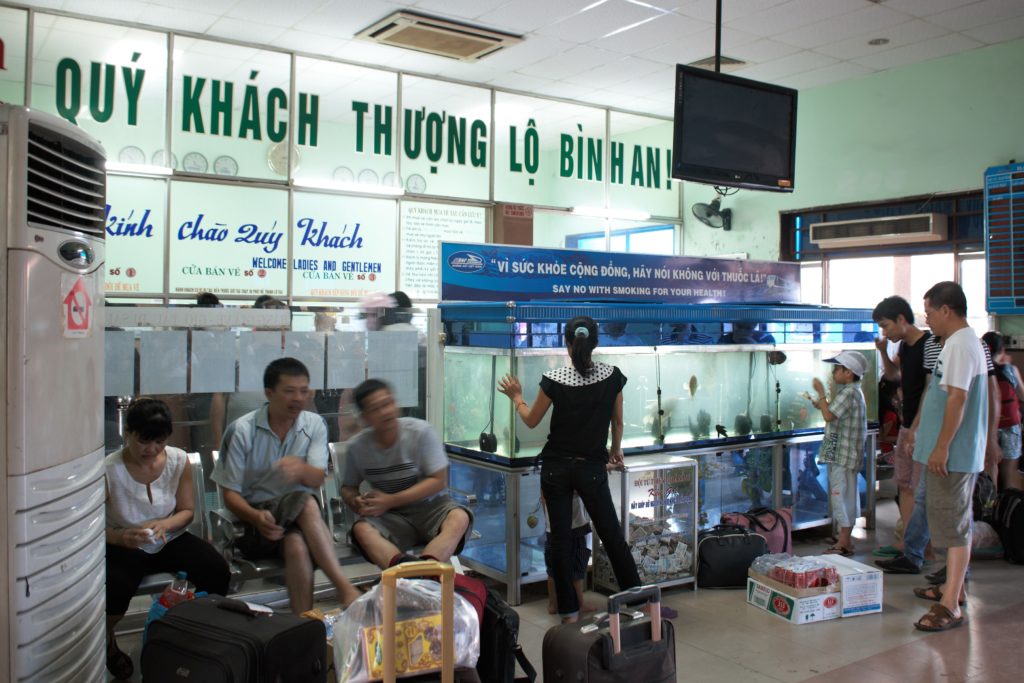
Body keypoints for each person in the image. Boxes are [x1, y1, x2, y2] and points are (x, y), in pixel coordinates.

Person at [497, 315, 644, 623]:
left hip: (556, 469)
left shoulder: (554, 379)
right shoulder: (612, 376)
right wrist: (615, 450)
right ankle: (638, 603)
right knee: (612, 536)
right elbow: (617, 423)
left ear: (567, 343)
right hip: (592, 468)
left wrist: (517, 398)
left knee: (560, 541)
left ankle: (569, 614)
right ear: (595, 343)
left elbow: (531, 420)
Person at [212, 357, 361, 614]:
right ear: (269, 393)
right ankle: (344, 587)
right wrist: (256, 517)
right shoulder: (242, 431)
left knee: (297, 545)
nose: (298, 398)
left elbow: (316, 479)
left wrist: (301, 470)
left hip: (296, 522)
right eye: (289, 391)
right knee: (304, 503)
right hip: (252, 525)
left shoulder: (313, 424)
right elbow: (230, 495)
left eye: (304, 391)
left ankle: (301, 623)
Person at [105, 398, 231, 679]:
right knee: (116, 586)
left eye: (159, 442)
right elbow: (91, 528)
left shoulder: (176, 459)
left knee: (216, 570)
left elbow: (186, 511)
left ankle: (196, 632)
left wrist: (165, 524)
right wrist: (120, 537)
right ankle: (106, 640)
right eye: (143, 442)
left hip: (169, 537)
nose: (151, 450)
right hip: (126, 543)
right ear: (128, 434)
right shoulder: (109, 470)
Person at [910, 282, 988, 632]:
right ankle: (949, 588)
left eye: (929, 312)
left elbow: (957, 399)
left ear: (946, 310)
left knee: (954, 527)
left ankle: (950, 604)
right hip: (945, 452)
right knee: (946, 523)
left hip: (952, 455)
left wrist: (941, 446)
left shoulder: (961, 345)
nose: (927, 319)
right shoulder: (955, 343)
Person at [342, 379, 472, 568]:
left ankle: (422, 572)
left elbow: (438, 480)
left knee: (460, 517)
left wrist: (390, 500)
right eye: (375, 409)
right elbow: (348, 487)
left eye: (387, 403)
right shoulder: (357, 447)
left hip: (432, 509)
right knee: (361, 529)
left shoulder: (420, 432)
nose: (385, 412)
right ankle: (406, 572)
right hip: (392, 516)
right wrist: (354, 500)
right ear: (365, 417)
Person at [871, 296, 931, 556]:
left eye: (886, 326)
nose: (885, 332)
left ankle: (924, 548)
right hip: (908, 426)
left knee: (921, 490)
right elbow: (895, 376)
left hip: (924, 428)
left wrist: (917, 427)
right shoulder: (905, 347)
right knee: (904, 485)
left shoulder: (930, 345)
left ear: (902, 320)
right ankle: (906, 541)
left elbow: (931, 391)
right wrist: (883, 351)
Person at [806, 351, 867, 556]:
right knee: (846, 494)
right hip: (842, 453)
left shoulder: (849, 393)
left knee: (841, 495)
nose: (833, 372)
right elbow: (831, 412)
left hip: (843, 454)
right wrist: (820, 402)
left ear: (848, 372)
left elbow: (829, 415)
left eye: (836, 368)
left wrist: (822, 393)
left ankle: (843, 542)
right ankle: (845, 537)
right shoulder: (851, 391)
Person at [981, 331, 1024, 490]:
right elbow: (1022, 394)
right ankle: (1010, 509)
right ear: (1002, 350)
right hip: (1010, 426)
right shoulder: (1010, 370)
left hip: (987, 427)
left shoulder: (980, 372)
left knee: (990, 468)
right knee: (1009, 473)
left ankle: (990, 507)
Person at [543, 492, 596, 615]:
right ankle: (579, 603)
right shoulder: (572, 473)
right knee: (577, 566)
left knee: (553, 567)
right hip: (575, 525)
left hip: (552, 525)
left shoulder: (547, 474)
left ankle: (553, 604)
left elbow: (543, 496)